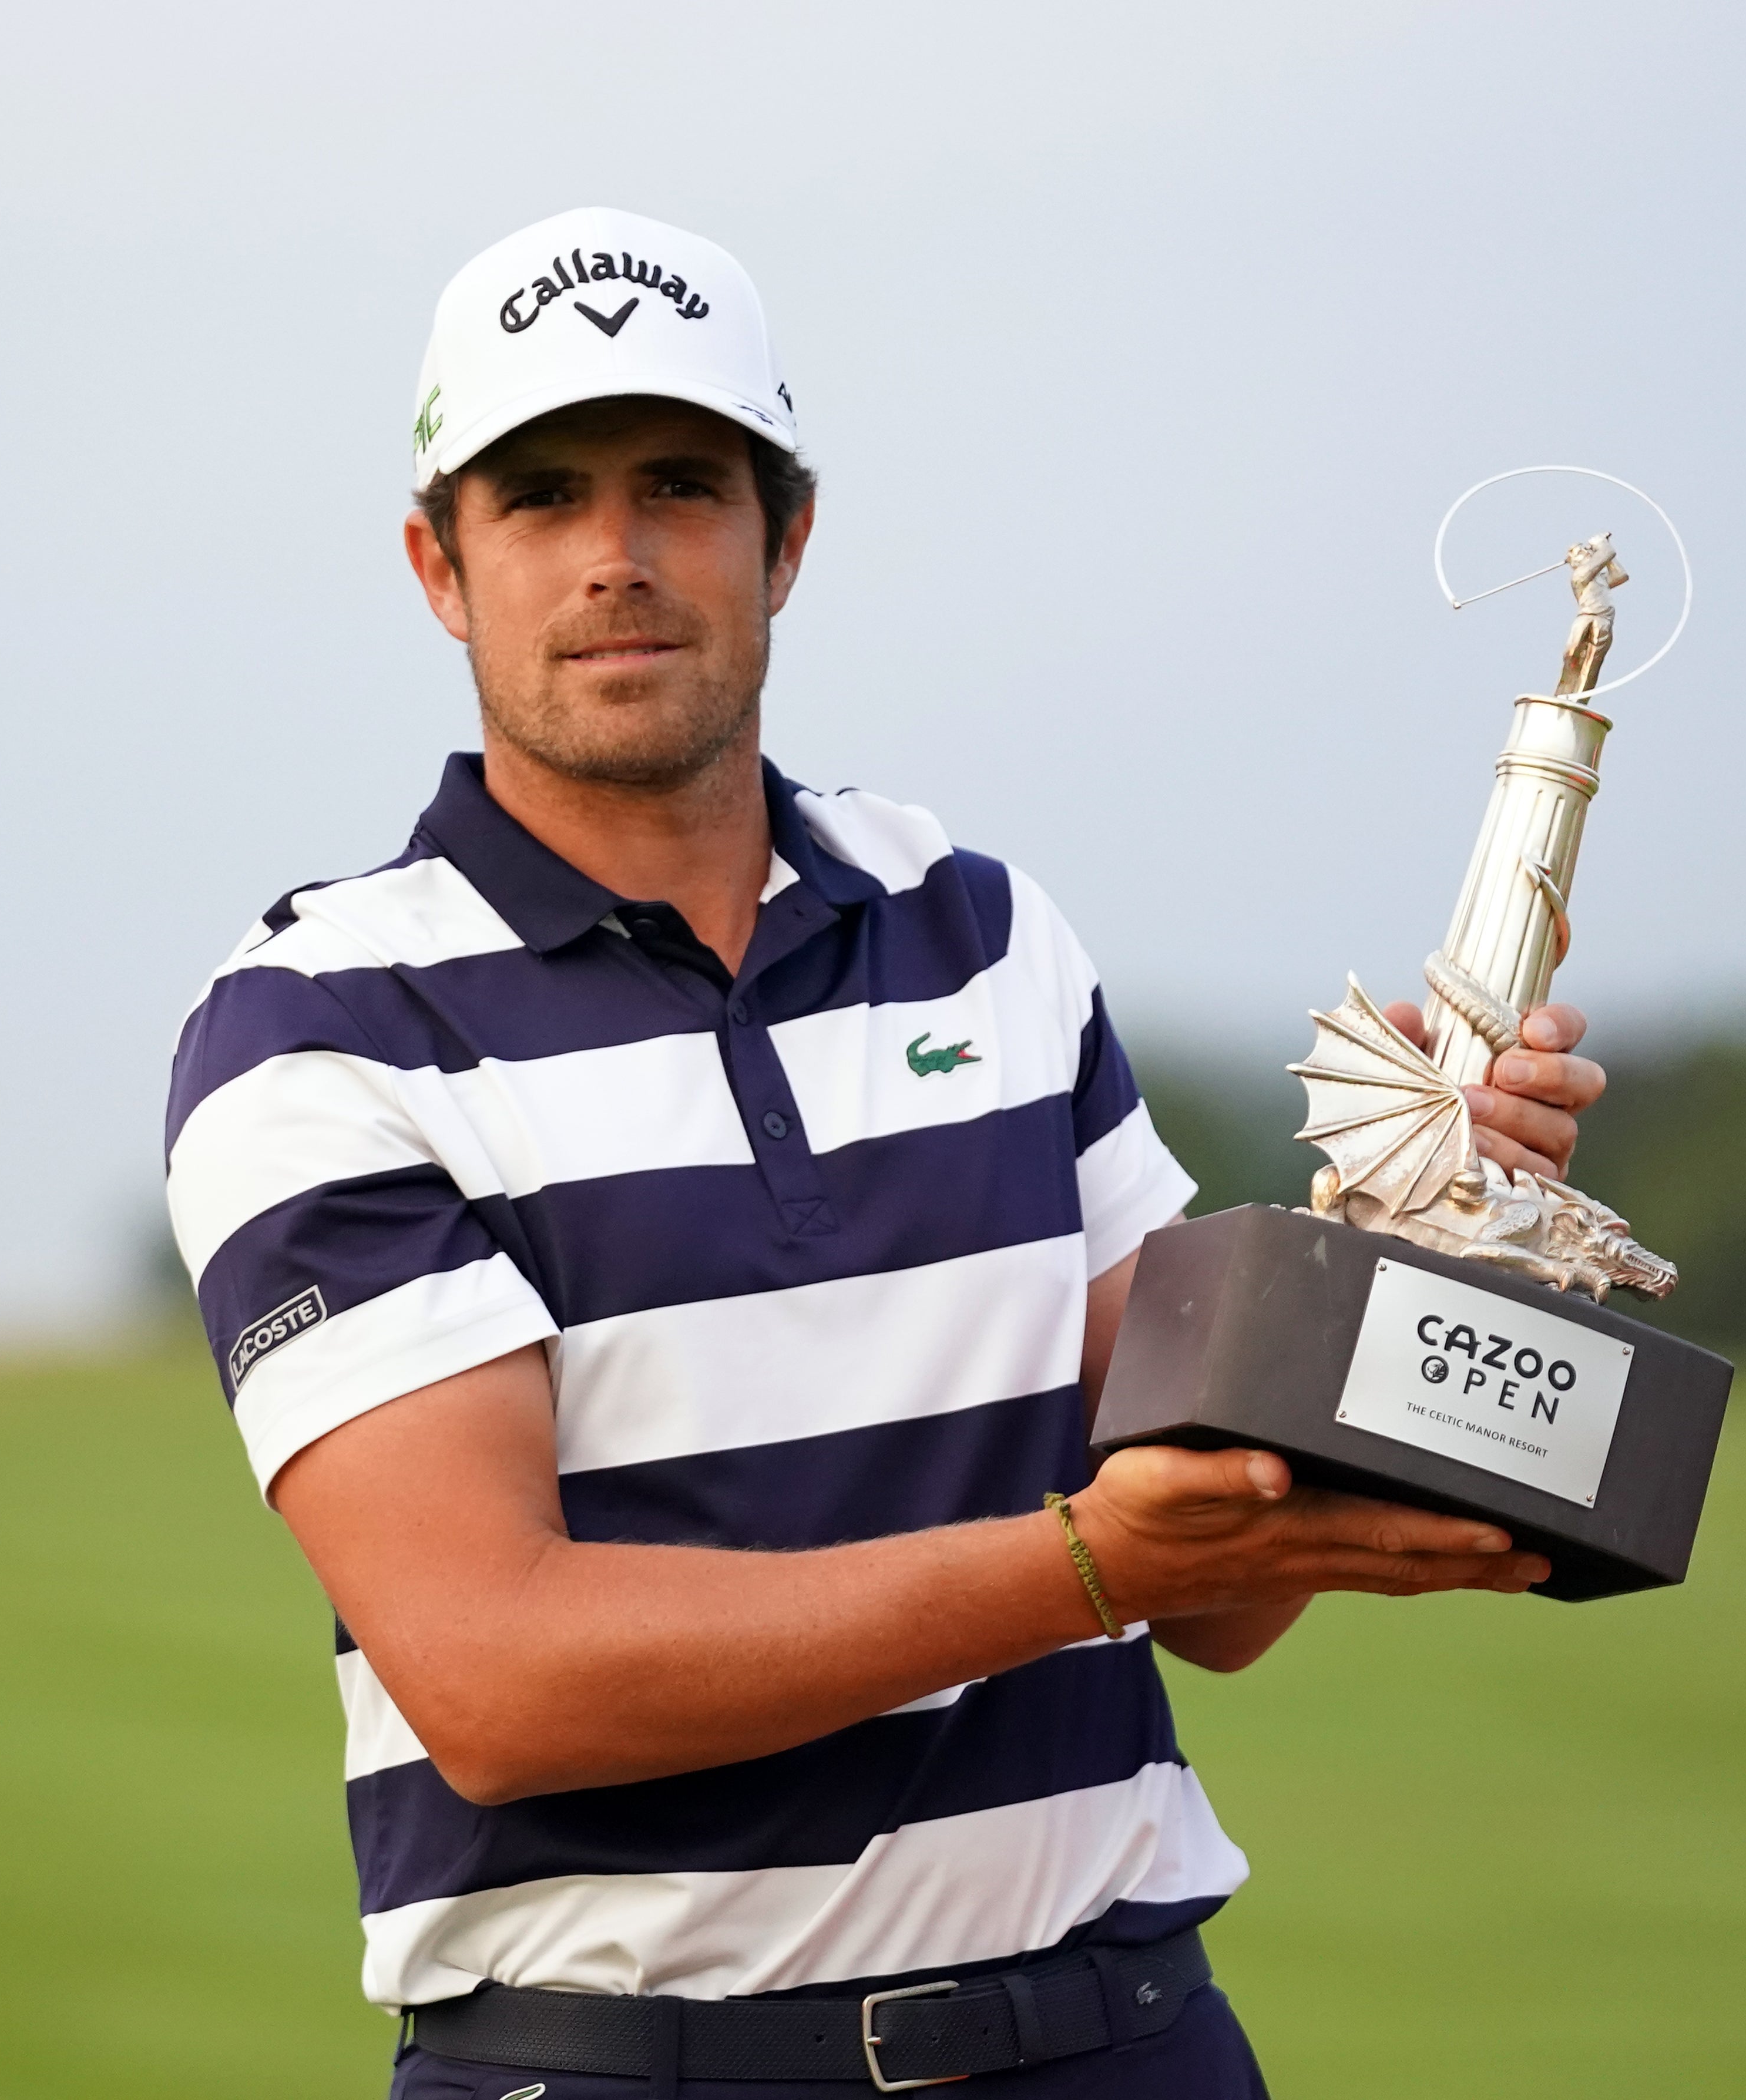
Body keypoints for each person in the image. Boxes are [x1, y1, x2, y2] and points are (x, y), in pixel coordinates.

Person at [163, 207, 1609, 2098]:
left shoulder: (978, 930)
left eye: (684, 485)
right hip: (625, 2070)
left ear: (790, 540)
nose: (616, 556)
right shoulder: (321, 1024)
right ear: (443, 565)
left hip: (1127, 2039)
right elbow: (503, 1681)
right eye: (543, 497)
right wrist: (1088, 1565)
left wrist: (1402, 1234)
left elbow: (1224, 1580)